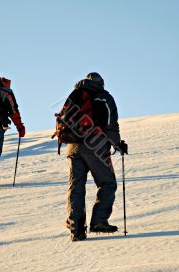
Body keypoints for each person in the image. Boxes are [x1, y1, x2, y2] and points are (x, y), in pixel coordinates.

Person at [58, 72, 128, 241]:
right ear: (101, 83)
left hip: (72, 147)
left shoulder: (74, 96)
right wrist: (118, 144)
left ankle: (76, 228)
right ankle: (98, 221)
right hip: (95, 145)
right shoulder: (104, 98)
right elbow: (111, 124)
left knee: (76, 188)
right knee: (107, 183)